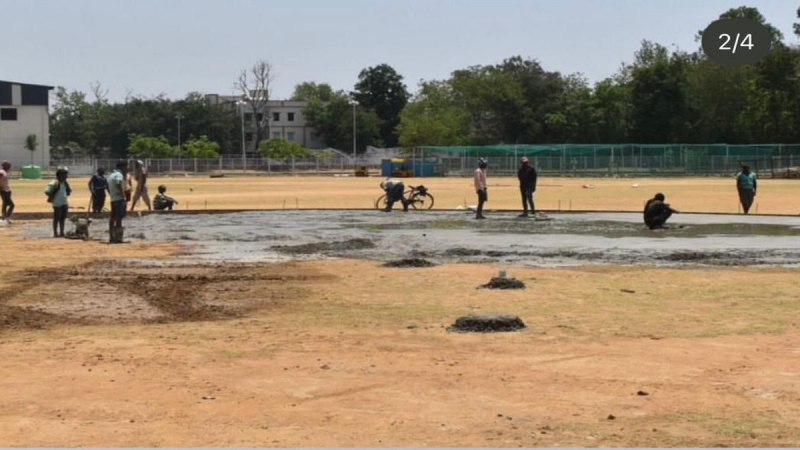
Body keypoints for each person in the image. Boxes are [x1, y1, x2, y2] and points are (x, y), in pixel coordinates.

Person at [45, 168, 72, 237]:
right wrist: (53, 194)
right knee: (57, 218)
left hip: (64, 202)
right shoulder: (55, 183)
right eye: (64, 175)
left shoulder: (65, 183)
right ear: (59, 176)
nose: (65, 177)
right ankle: (55, 233)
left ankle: (62, 232)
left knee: (63, 218)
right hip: (57, 203)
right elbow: (47, 191)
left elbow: (69, 192)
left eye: (66, 175)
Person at [108, 161, 128, 243]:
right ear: (122, 167)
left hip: (113, 199)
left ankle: (112, 236)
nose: (127, 169)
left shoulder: (111, 174)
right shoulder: (119, 175)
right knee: (119, 218)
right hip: (119, 199)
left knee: (113, 217)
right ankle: (118, 238)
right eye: (126, 167)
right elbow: (118, 183)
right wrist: (123, 194)